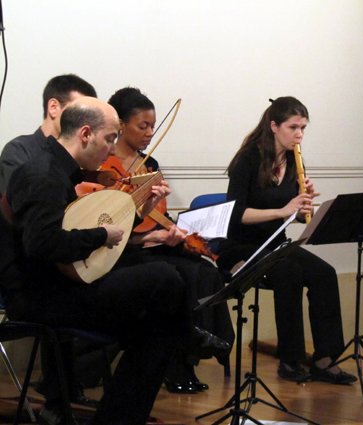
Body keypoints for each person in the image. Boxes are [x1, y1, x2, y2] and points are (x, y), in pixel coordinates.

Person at [3, 96, 229, 424]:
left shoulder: (58, 171)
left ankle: (119, 416)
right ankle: (187, 332)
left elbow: (84, 238)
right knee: (164, 276)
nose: (112, 149)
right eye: (109, 138)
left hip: (64, 284)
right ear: (85, 134)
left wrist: (138, 214)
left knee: (157, 330)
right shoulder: (41, 174)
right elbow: (43, 245)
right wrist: (100, 236)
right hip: (42, 297)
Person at [217, 96, 356, 385]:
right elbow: (235, 214)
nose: (299, 135)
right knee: (289, 273)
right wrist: (283, 210)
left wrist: (306, 205)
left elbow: (300, 218)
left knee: (324, 274)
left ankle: (325, 359)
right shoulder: (248, 160)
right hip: (242, 245)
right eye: (293, 127)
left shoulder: (294, 161)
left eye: (303, 128)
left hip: (275, 242)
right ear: (274, 126)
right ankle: (290, 360)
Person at [105, 86, 234, 393]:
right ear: (121, 125)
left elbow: (156, 215)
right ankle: (176, 363)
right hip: (125, 249)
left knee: (205, 269)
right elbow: (115, 221)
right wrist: (152, 235)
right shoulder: (104, 167)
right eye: (143, 126)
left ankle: (197, 353)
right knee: (182, 273)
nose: (150, 133)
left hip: (154, 242)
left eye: (153, 126)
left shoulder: (149, 165)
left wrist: (173, 231)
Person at [0, 74, 103, 416]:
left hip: (64, 253)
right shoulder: (22, 152)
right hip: (31, 261)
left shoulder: (77, 159)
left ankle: (70, 390)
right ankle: (60, 396)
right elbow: (27, 213)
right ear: (54, 107)